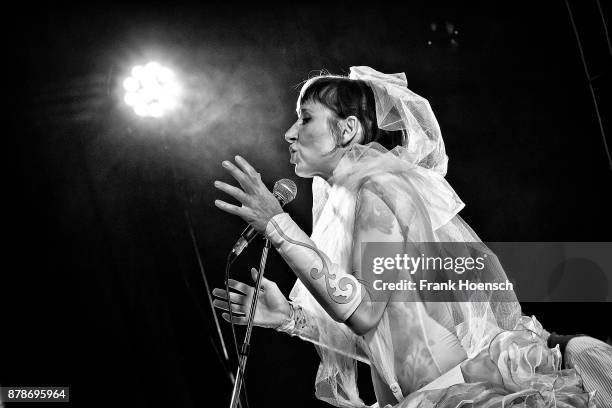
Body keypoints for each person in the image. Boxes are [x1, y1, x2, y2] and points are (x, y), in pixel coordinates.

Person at [212, 66, 610, 407]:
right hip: (425, 393)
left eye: (305, 118)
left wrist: (277, 226)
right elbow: (379, 336)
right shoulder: (352, 201)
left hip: (454, 390)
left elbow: (364, 311)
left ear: (347, 129)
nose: (289, 133)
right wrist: (290, 319)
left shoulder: (379, 188)